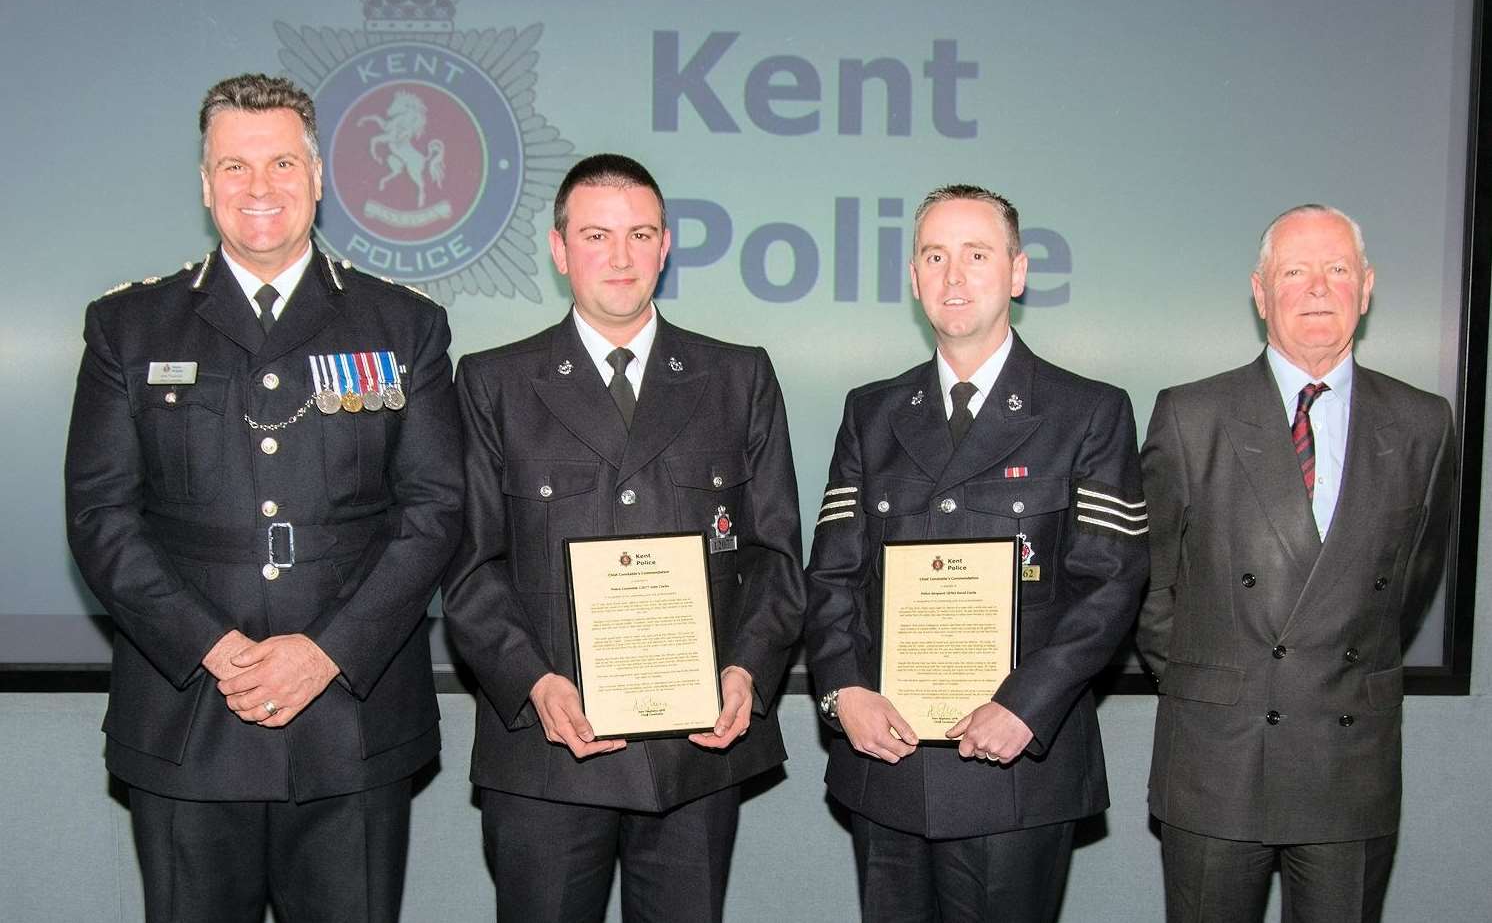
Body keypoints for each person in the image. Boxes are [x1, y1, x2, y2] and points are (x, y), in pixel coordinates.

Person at [64, 73, 463, 922]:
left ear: (318, 178)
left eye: (281, 163)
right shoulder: (128, 327)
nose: (259, 188)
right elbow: (101, 519)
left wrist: (324, 652)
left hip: (351, 723)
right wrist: (215, 648)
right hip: (189, 722)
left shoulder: (403, 325)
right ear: (206, 185)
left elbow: (434, 513)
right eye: (235, 167)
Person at [441, 153, 805, 922]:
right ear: (558, 248)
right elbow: (470, 568)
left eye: (640, 234)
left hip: (694, 753)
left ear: (666, 246)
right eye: (596, 234)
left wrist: (746, 670)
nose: (619, 256)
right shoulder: (493, 383)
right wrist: (534, 683)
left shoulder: (736, 377)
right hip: (545, 752)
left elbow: (776, 558)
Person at [804, 184, 1149, 921]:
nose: (954, 276)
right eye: (935, 256)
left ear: (1017, 273)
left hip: (1016, 764)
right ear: (914, 277)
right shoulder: (872, 412)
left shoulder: (1087, 412)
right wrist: (842, 692)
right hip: (887, 760)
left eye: (976, 255)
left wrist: (1025, 706)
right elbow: (832, 573)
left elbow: (1112, 583)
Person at [1137, 204, 1456, 922]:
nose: (1318, 288)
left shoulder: (1423, 424)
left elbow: (1410, 585)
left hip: (1348, 762)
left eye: (1337, 269)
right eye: (1295, 272)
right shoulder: (1192, 416)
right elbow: (1150, 583)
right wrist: (1213, 682)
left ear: (1366, 286)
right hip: (1217, 758)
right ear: (1260, 291)